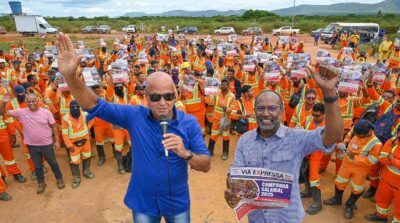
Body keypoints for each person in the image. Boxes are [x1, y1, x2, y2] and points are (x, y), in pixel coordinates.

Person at [56, 33, 211, 223]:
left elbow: (205, 165)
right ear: (146, 98)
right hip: (143, 204)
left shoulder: (189, 124)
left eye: (168, 97)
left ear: (176, 95)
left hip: (176, 203)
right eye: (155, 97)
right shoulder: (134, 116)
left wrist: (185, 153)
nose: (163, 102)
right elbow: (93, 104)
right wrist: (70, 76)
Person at [224, 65, 344, 222]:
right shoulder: (245, 141)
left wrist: (329, 92)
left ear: (281, 110)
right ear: (254, 111)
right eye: (260, 108)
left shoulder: (296, 138)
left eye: (272, 108)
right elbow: (234, 175)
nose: (266, 113)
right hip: (257, 219)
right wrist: (233, 191)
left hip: (287, 218)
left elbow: (334, 135)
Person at [0, 93, 65, 194]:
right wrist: (4, 101)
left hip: (46, 144)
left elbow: (54, 126)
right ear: (26, 102)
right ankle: (41, 183)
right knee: (37, 166)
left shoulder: (46, 112)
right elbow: (3, 112)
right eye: (29, 101)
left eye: (33, 101)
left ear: (38, 101)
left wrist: (57, 141)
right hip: (32, 146)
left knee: (53, 162)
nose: (31, 103)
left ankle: (59, 179)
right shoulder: (21, 112)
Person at [323, 120, 382, 219]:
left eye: (359, 136)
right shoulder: (356, 130)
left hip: (360, 170)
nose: (357, 136)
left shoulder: (376, 144)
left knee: (357, 188)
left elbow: (372, 161)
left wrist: (354, 158)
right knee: (339, 182)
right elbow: (348, 136)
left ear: (367, 133)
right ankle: (337, 200)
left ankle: (349, 205)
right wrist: (344, 143)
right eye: (356, 134)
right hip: (346, 164)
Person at [365, 127, 400, 222]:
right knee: (381, 199)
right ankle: (381, 216)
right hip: (386, 180)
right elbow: (382, 158)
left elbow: (388, 158)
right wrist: (392, 160)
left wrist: (392, 160)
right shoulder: (393, 141)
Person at [61, 100, 94, 188]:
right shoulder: (65, 118)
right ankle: (76, 178)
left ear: (79, 107)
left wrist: (88, 129)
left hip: (85, 141)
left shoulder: (85, 114)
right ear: (70, 108)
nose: (75, 109)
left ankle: (86, 171)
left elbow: (91, 119)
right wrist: (69, 145)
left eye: (77, 107)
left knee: (87, 156)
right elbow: (64, 133)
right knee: (74, 160)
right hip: (73, 144)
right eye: (73, 107)